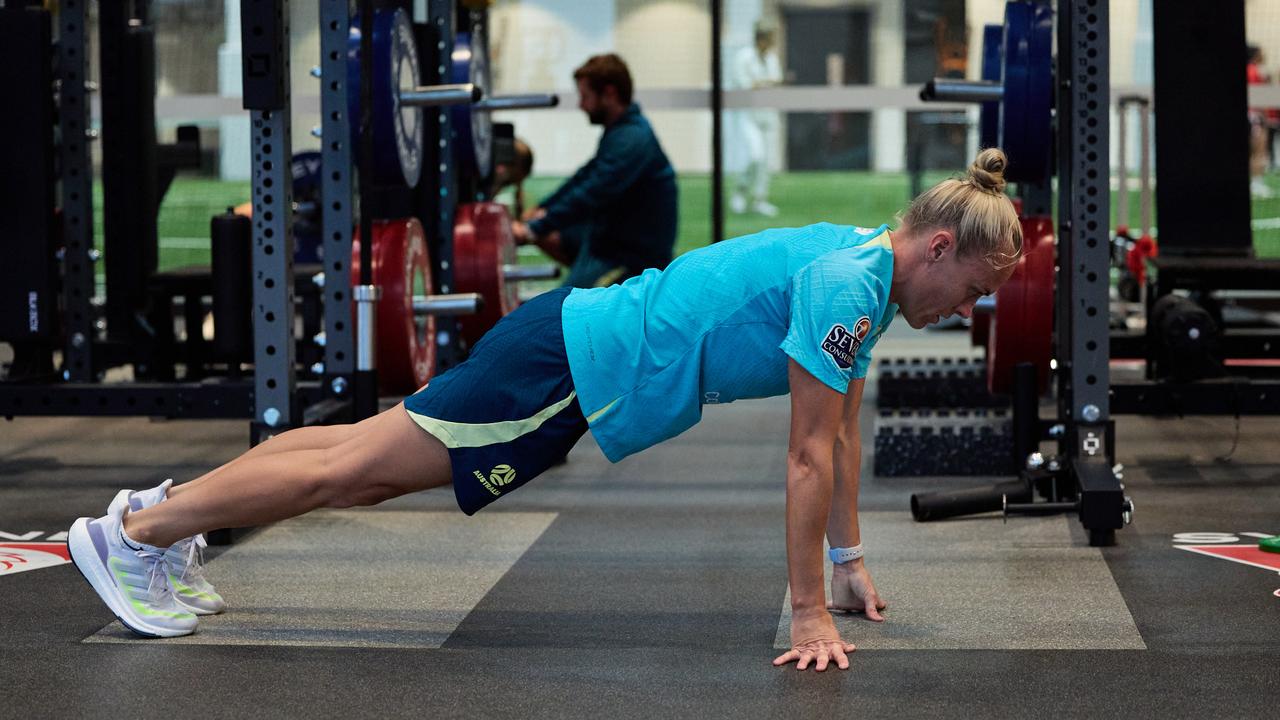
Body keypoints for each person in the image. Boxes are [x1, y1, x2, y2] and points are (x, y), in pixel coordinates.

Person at [69, 149, 1022, 672]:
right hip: (569, 369)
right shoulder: (851, 285)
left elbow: (842, 430)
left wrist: (848, 563)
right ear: (939, 246)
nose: (968, 312)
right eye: (974, 289)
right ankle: (138, 534)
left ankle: (156, 521)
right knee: (356, 475)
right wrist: (809, 611)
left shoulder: (866, 264)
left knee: (359, 456)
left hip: (573, 349)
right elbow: (809, 455)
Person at [510, 54, 678, 289]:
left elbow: (593, 191)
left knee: (564, 312)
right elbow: (585, 176)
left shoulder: (631, 138)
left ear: (609, 94)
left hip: (628, 257)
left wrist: (532, 229)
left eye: (585, 96)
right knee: (546, 229)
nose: (581, 105)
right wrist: (542, 211)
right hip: (606, 238)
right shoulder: (621, 131)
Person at [729, 20, 783, 218]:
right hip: (748, 115)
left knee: (765, 162)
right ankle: (740, 192)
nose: (772, 42)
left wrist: (762, 83)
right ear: (761, 38)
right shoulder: (743, 57)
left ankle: (760, 199)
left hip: (767, 115)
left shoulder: (772, 59)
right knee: (755, 156)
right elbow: (745, 85)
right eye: (770, 38)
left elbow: (776, 83)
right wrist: (765, 83)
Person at [1247, 45, 1276, 199]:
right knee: (1259, 150)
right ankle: (1256, 184)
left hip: (1253, 115)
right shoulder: (1253, 71)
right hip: (1255, 116)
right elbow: (1258, 96)